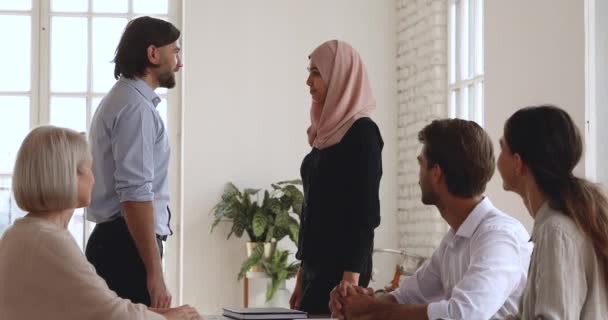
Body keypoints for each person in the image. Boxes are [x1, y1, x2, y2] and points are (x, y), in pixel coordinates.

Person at [330, 119, 533, 320]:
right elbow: (405, 298)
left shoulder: (499, 235)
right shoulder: (455, 238)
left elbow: (463, 315)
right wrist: (355, 302)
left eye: (421, 164)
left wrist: (374, 310)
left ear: (436, 173)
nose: (418, 178)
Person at [0, 126, 200, 320]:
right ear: (71, 175)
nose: (94, 180)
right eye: (89, 169)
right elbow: (111, 314)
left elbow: (96, 307)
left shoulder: (21, 233)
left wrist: (161, 314)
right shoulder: (49, 240)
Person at [85, 16, 182, 308]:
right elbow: (135, 193)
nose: (179, 62)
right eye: (175, 52)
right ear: (153, 54)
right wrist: (155, 273)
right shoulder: (135, 109)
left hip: (120, 243)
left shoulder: (126, 100)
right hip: (125, 248)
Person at [289, 39, 383, 315]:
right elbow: (313, 211)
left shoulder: (363, 133)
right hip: (315, 270)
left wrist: (350, 279)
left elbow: (366, 212)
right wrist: (301, 275)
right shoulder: (324, 132)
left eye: (317, 72)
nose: (308, 81)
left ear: (340, 75)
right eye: (310, 71)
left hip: (343, 273)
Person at [497, 105, 608, 319]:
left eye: (502, 149)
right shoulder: (560, 224)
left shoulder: (556, 231)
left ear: (518, 163)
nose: (497, 159)